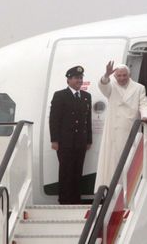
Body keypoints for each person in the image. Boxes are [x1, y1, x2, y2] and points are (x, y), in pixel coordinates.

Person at [94, 61, 147, 190]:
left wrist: (145, 116)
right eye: (119, 76)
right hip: (113, 131)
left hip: (130, 129)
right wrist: (106, 75)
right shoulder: (111, 86)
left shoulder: (138, 88)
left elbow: (144, 104)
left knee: (129, 161)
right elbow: (103, 86)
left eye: (124, 75)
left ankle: (128, 189)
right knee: (112, 162)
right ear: (115, 76)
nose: (121, 78)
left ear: (129, 75)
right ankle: (110, 190)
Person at [49, 65, 92, 204]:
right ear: (68, 80)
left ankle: (75, 199)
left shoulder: (86, 96)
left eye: (80, 78)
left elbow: (87, 120)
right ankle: (64, 199)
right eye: (76, 78)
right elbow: (54, 119)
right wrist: (54, 140)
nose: (79, 80)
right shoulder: (60, 95)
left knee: (77, 170)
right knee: (66, 171)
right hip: (65, 141)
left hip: (80, 141)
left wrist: (88, 139)